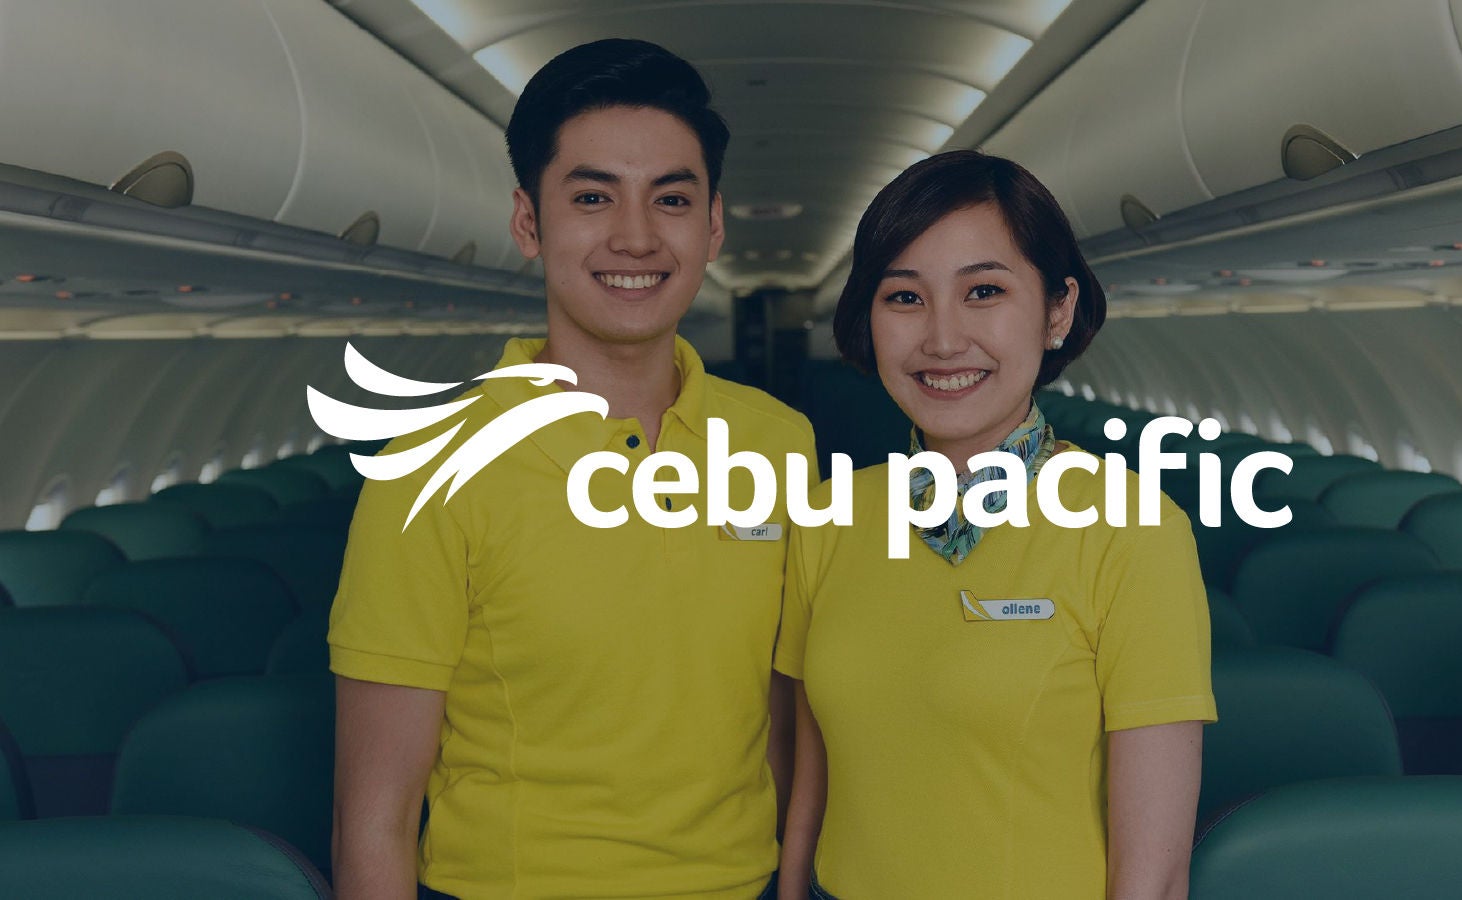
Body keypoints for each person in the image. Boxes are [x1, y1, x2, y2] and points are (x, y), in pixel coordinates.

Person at [328, 39, 814, 900]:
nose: (636, 237)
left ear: (713, 225)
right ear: (528, 222)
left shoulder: (778, 443)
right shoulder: (429, 466)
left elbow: (780, 725)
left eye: (671, 199)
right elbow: (375, 818)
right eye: (593, 197)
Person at [774, 150, 1215, 900]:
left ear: (1057, 310)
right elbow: (812, 787)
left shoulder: (1133, 530)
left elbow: (1155, 876)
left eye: (983, 291)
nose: (943, 340)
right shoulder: (828, 517)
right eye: (904, 297)